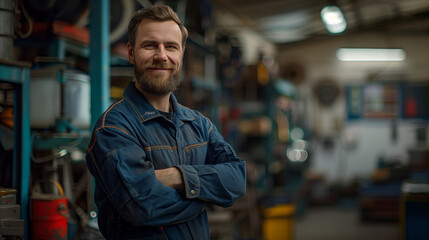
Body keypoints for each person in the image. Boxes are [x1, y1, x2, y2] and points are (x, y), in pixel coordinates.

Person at [85, 4, 246, 239]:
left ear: (181, 54)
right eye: (150, 45)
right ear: (131, 53)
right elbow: (142, 206)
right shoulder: (113, 128)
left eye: (171, 46)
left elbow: (237, 180)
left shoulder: (198, 124)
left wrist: (177, 177)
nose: (162, 56)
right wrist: (206, 198)